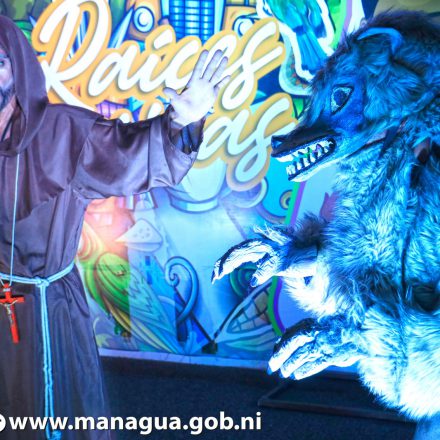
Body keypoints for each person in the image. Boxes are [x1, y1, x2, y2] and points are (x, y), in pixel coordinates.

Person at [0, 15, 228, 440]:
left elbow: (130, 154)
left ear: (19, 69)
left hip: (48, 311)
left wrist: (180, 123)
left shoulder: (63, 131)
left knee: (51, 416)